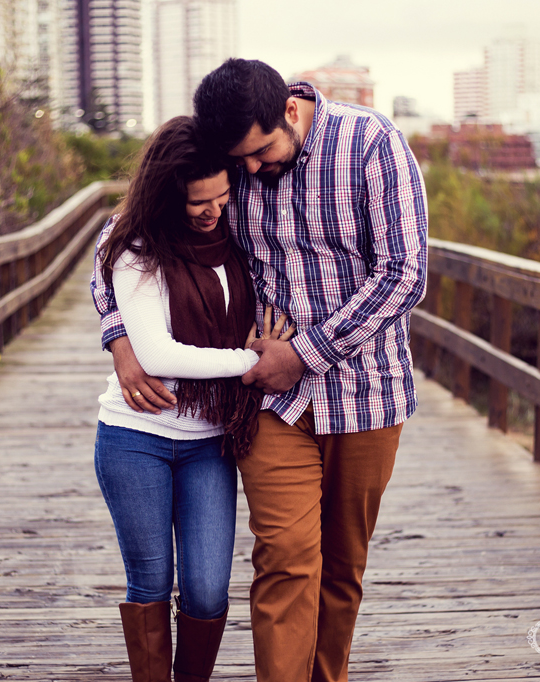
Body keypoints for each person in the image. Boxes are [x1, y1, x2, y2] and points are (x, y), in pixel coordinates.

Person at [96, 59, 428, 682]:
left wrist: (304, 354)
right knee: (284, 557)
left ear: (290, 112)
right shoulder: (227, 159)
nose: (249, 170)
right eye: (239, 159)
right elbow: (120, 237)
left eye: (261, 151)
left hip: (366, 394)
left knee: (342, 567)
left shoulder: (372, 143)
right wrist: (120, 336)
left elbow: (405, 275)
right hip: (269, 402)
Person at [90, 115, 292, 682]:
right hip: (136, 437)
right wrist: (253, 362)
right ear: (166, 194)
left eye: (222, 197)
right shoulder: (137, 245)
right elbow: (158, 354)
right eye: (198, 202)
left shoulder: (239, 234)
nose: (213, 211)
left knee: (206, 590)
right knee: (151, 583)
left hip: (209, 439)